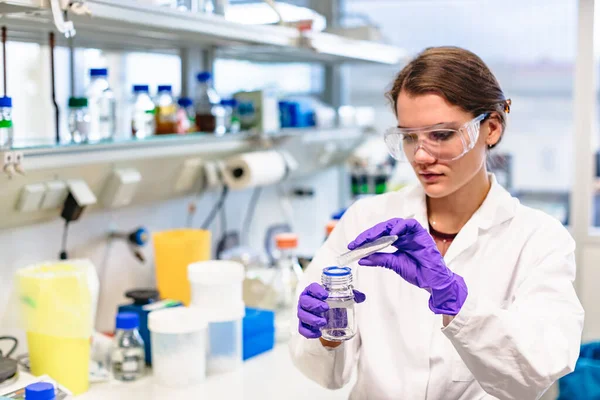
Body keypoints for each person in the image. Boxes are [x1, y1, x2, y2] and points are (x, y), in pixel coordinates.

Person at [289, 46, 584, 400]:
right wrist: (324, 333)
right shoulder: (366, 220)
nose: (422, 156)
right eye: (409, 137)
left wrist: (457, 303)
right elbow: (327, 375)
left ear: (490, 128)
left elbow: (538, 370)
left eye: (441, 134)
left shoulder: (539, 239)